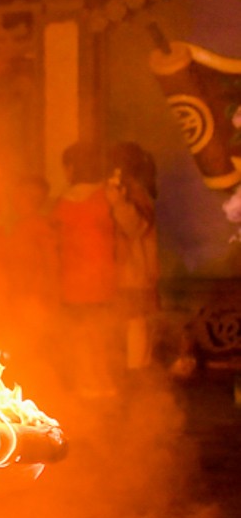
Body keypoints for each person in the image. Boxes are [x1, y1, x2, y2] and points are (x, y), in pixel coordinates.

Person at [52, 140, 119, 398]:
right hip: (103, 279)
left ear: (71, 168)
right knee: (100, 336)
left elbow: (55, 243)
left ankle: (89, 384)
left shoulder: (64, 203)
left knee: (82, 337)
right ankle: (103, 384)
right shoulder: (106, 196)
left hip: (73, 282)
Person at [107, 141, 161, 371]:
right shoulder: (135, 190)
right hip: (136, 272)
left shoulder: (133, 192)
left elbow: (135, 226)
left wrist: (117, 202)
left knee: (136, 324)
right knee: (137, 325)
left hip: (134, 273)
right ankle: (137, 372)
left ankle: (136, 376)